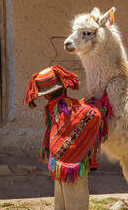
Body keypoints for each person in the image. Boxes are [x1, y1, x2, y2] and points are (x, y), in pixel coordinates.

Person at [24, 65, 111, 210]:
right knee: (76, 200)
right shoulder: (68, 107)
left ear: (46, 95)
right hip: (74, 165)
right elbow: (92, 116)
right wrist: (94, 105)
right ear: (65, 87)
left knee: (61, 201)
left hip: (58, 161)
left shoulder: (52, 109)